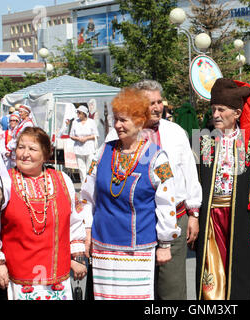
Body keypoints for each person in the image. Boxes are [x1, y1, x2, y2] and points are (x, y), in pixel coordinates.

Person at [80, 87, 181, 300]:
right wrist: (87, 231)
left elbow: (166, 202)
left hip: (138, 250)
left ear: (139, 120)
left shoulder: (156, 157)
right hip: (103, 246)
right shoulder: (102, 152)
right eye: (116, 119)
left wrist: (165, 244)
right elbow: (87, 196)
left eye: (123, 120)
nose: (117, 125)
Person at [195, 78, 250, 300]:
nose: (216, 114)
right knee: (211, 278)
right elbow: (191, 181)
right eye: (213, 109)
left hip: (241, 220)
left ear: (237, 113)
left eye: (221, 109)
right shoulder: (201, 139)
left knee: (240, 277)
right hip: (210, 219)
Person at [0, 127, 87, 300]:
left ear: (45, 155)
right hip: (18, 277)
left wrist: (77, 256)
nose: (25, 154)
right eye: (21, 147)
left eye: (32, 149)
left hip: (58, 276)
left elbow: (74, 221)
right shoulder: (4, 182)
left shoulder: (63, 180)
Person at [132, 80, 202, 300]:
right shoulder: (123, 133)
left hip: (176, 219)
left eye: (159, 101)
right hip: (138, 222)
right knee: (139, 289)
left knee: (172, 288)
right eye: (150, 102)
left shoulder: (176, 132)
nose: (157, 107)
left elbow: (189, 173)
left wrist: (194, 214)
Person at [69, 105, 99, 184]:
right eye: (77, 112)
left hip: (89, 148)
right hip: (78, 148)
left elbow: (96, 135)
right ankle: (83, 185)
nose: (78, 114)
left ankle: (91, 184)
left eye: (79, 113)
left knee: (90, 167)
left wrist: (86, 138)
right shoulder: (75, 122)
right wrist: (78, 139)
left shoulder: (91, 122)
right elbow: (71, 135)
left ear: (84, 113)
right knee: (81, 168)